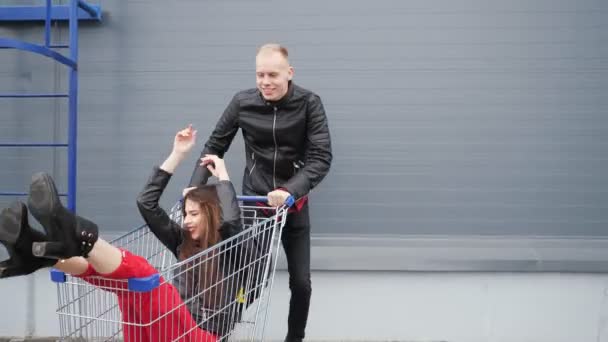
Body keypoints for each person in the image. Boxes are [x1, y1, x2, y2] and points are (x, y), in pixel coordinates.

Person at [0, 126, 261, 341]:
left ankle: (78, 238)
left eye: (195, 214)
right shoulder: (182, 241)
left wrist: (224, 178)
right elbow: (146, 203)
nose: (186, 220)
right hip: (165, 328)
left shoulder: (234, 249)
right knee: (127, 285)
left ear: (213, 214)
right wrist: (177, 155)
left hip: (202, 336)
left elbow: (232, 223)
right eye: (185, 213)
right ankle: (41, 253)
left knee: (148, 279)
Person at [189, 43, 333, 342]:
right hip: (255, 205)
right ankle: (219, 333)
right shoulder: (242, 103)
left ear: (289, 73)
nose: (265, 82)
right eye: (260, 75)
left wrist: (289, 190)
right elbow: (215, 146)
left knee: (302, 283)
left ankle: (295, 338)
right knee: (249, 279)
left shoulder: (309, 103)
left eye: (273, 75)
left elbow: (321, 157)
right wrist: (195, 187)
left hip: (292, 207)